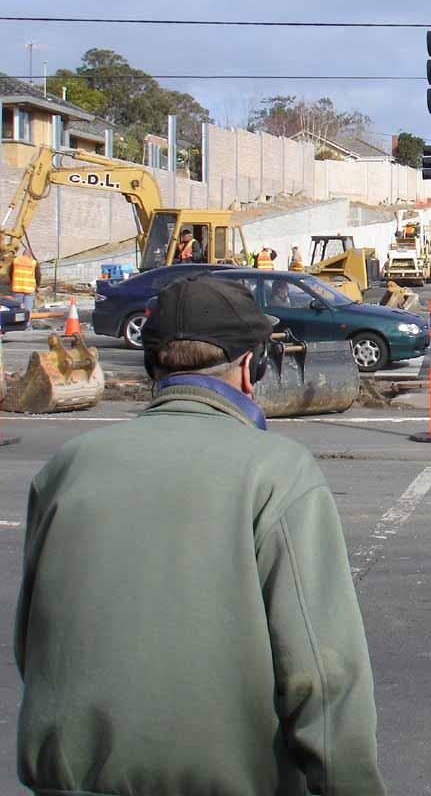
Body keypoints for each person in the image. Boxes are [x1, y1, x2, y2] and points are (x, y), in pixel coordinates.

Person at [14, 277, 386, 795]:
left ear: (151, 365)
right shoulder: (278, 473)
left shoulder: (67, 467)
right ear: (251, 368)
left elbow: (34, 646)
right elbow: (324, 677)